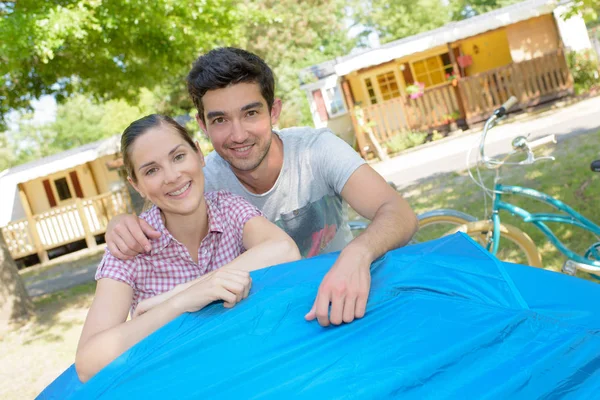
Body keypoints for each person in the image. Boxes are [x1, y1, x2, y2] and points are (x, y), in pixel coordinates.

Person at [105, 47, 419, 328]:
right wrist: (121, 222)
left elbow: (398, 212)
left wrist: (357, 254)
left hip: (346, 301)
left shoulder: (317, 151)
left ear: (274, 111)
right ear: (203, 125)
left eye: (251, 113)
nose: (238, 134)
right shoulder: (200, 180)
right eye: (220, 120)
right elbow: (157, 211)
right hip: (271, 327)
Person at [75, 114, 300, 382]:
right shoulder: (131, 246)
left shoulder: (227, 207)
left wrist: (190, 289)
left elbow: (285, 250)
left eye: (178, 156)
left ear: (198, 153)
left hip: (249, 371)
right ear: (137, 185)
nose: (172, 176)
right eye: (151, 170)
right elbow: (88, 362)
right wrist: (179, 303)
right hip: (179, 384)